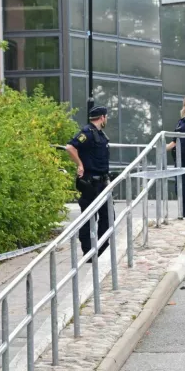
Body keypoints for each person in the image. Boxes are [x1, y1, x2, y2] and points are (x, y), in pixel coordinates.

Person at [65, 105, 113, 260]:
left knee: (107, 216)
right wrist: (79, 164)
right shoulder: (87, 132)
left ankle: (102, 249)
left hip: (102, 182)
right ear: (102, 117)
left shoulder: (99, 133)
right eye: (106, 116)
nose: (107, 119)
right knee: (88, 217)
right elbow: (70, 147)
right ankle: (88, 252)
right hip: (90, 182)